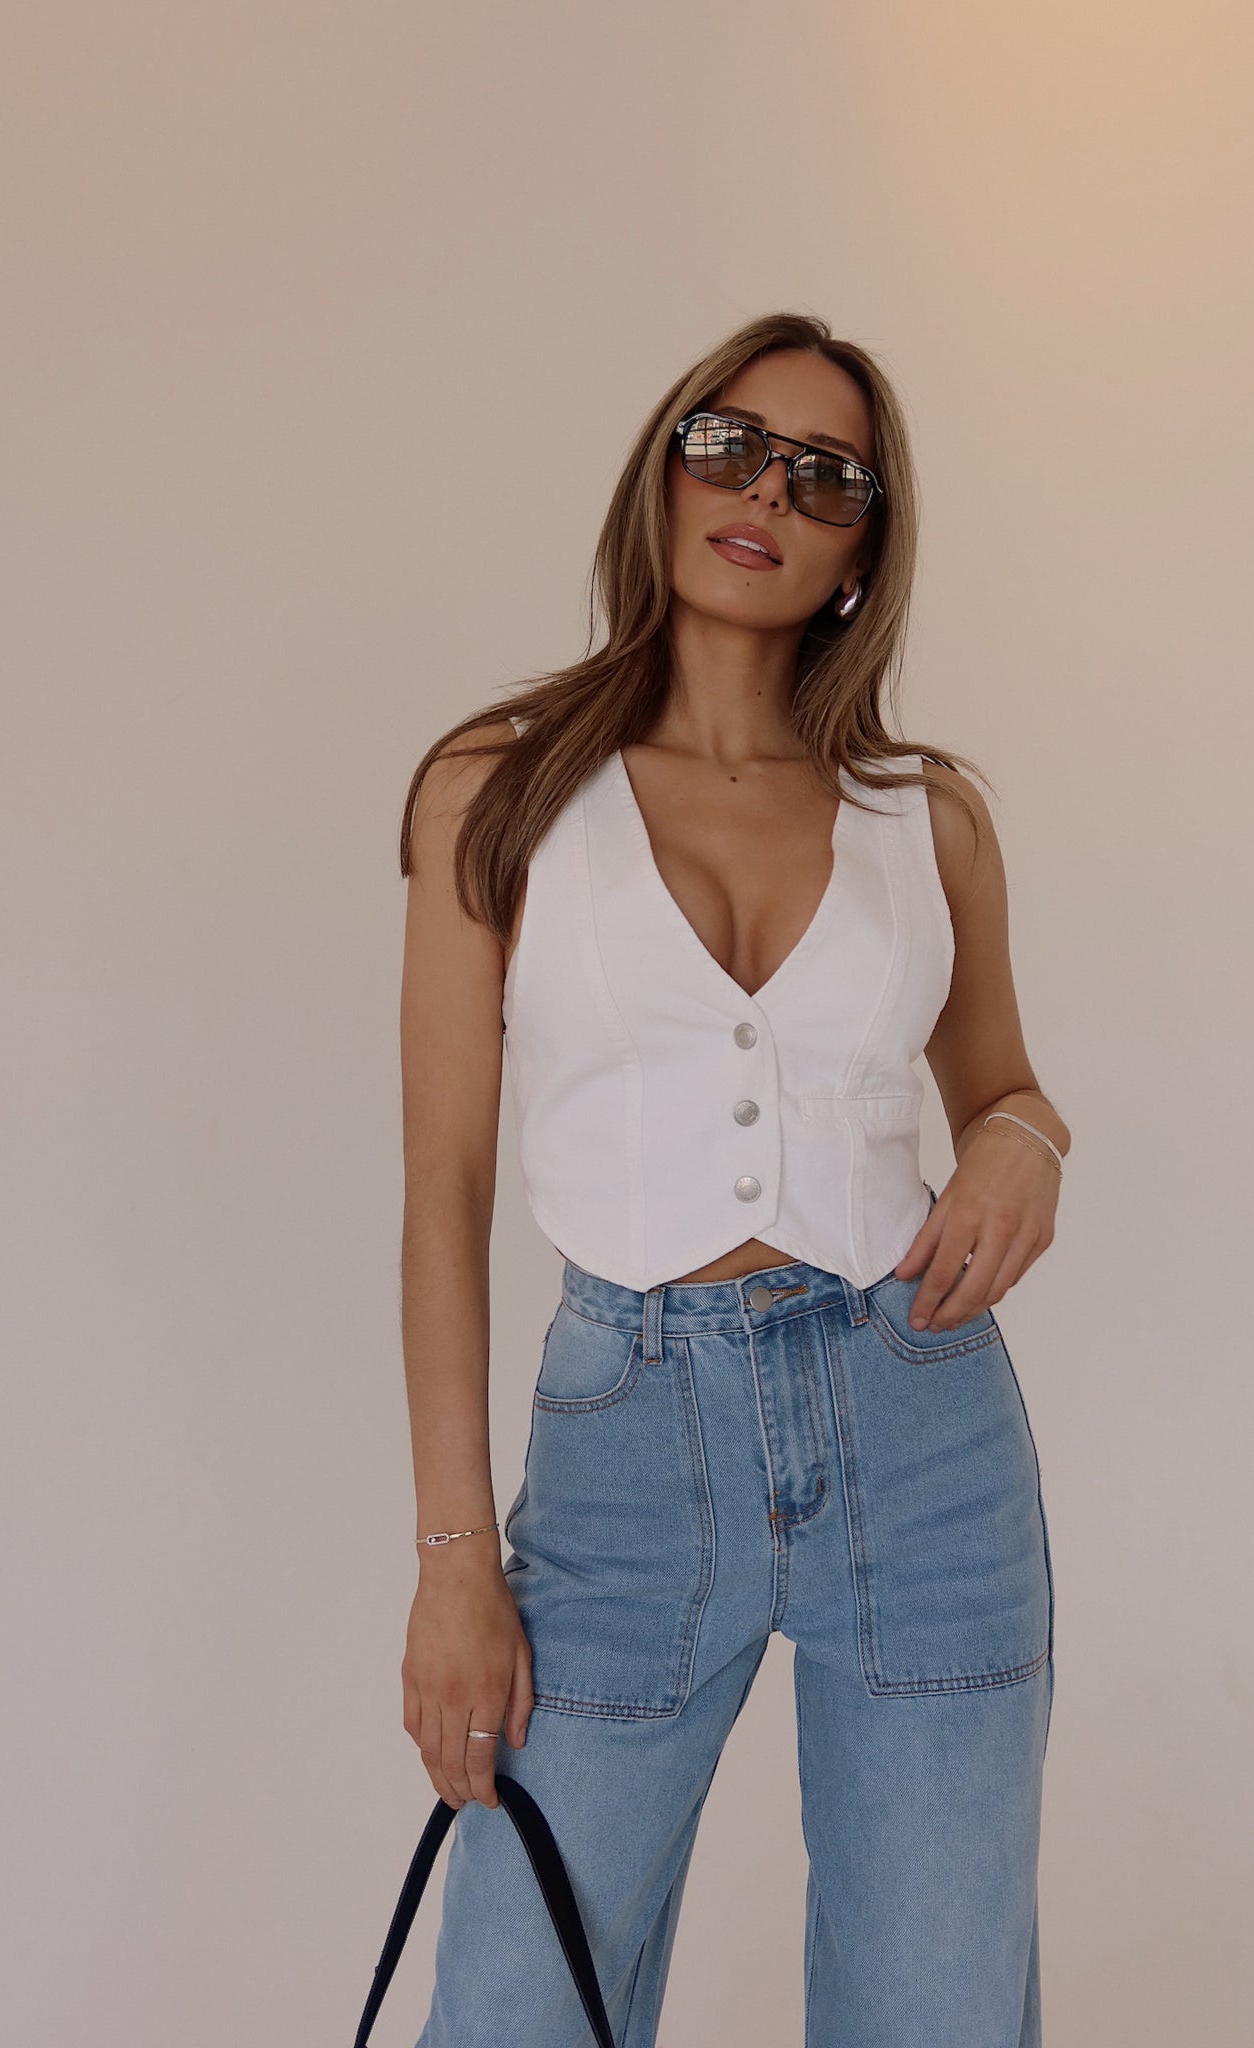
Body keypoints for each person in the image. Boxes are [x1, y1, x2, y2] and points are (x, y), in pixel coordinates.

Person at [395, 310, 1069, 2047]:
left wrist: (1024, 1137)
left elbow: (1002, 1091)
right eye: (729, 444)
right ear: (665, 471)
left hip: (922, 1439)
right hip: (626, 1450)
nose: (765, 491)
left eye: (824, 477)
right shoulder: (495, 790)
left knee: (934, 2014)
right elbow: (441, 1193)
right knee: (517, 2005)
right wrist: (454, 1557)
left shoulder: (929, 817)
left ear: (862, 555)